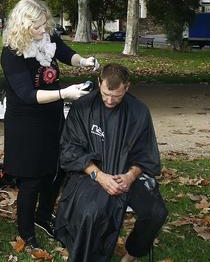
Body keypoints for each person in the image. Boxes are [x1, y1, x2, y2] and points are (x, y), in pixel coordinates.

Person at [0, 0, 100, 249]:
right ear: (22, 26)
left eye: (45, 24)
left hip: (51, 116)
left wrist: (83, 61)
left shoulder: (48, 40)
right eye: (36, 27)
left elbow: (67, 53)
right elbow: (27, 94)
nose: (43, 30)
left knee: (56, 171)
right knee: (32, 179)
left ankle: (43, 216)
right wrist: (64, 93)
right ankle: (26, 233)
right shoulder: (12, 53)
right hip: (25, 123)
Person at [55, 63, 168, 262]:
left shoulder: (139, 111)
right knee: (92, 213)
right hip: (90, 174)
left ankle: (132, 254)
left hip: (127, 175)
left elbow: (145, 153)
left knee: (156, 212)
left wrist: (130, 176)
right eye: (106, 93)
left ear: (127, 87)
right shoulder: (83, 107)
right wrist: (99, 176)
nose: (109, 100)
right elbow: (70, 149)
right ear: (99, 83)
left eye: (116, 96)